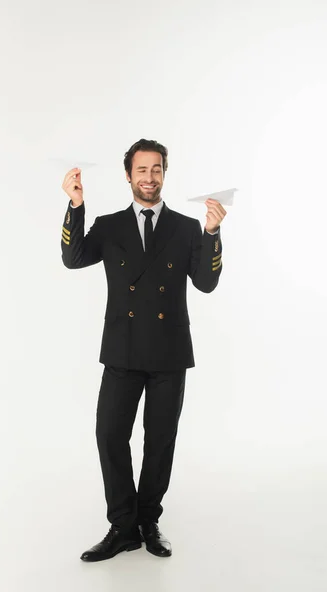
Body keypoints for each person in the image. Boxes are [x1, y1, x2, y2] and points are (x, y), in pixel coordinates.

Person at [61, 138, 227, 562]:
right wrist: (76, 205)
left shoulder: (188, 227)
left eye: (156, 170)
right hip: (122, 350)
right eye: (141, 170)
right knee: (109, 435)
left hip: (169, 353)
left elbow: (206, 284)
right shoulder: (110, 224)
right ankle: (122, 525)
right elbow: (73, 257)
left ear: (164, 174)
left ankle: (148, 519)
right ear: (129, 175)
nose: (148, 178)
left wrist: (212, 233)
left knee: (160, 441)